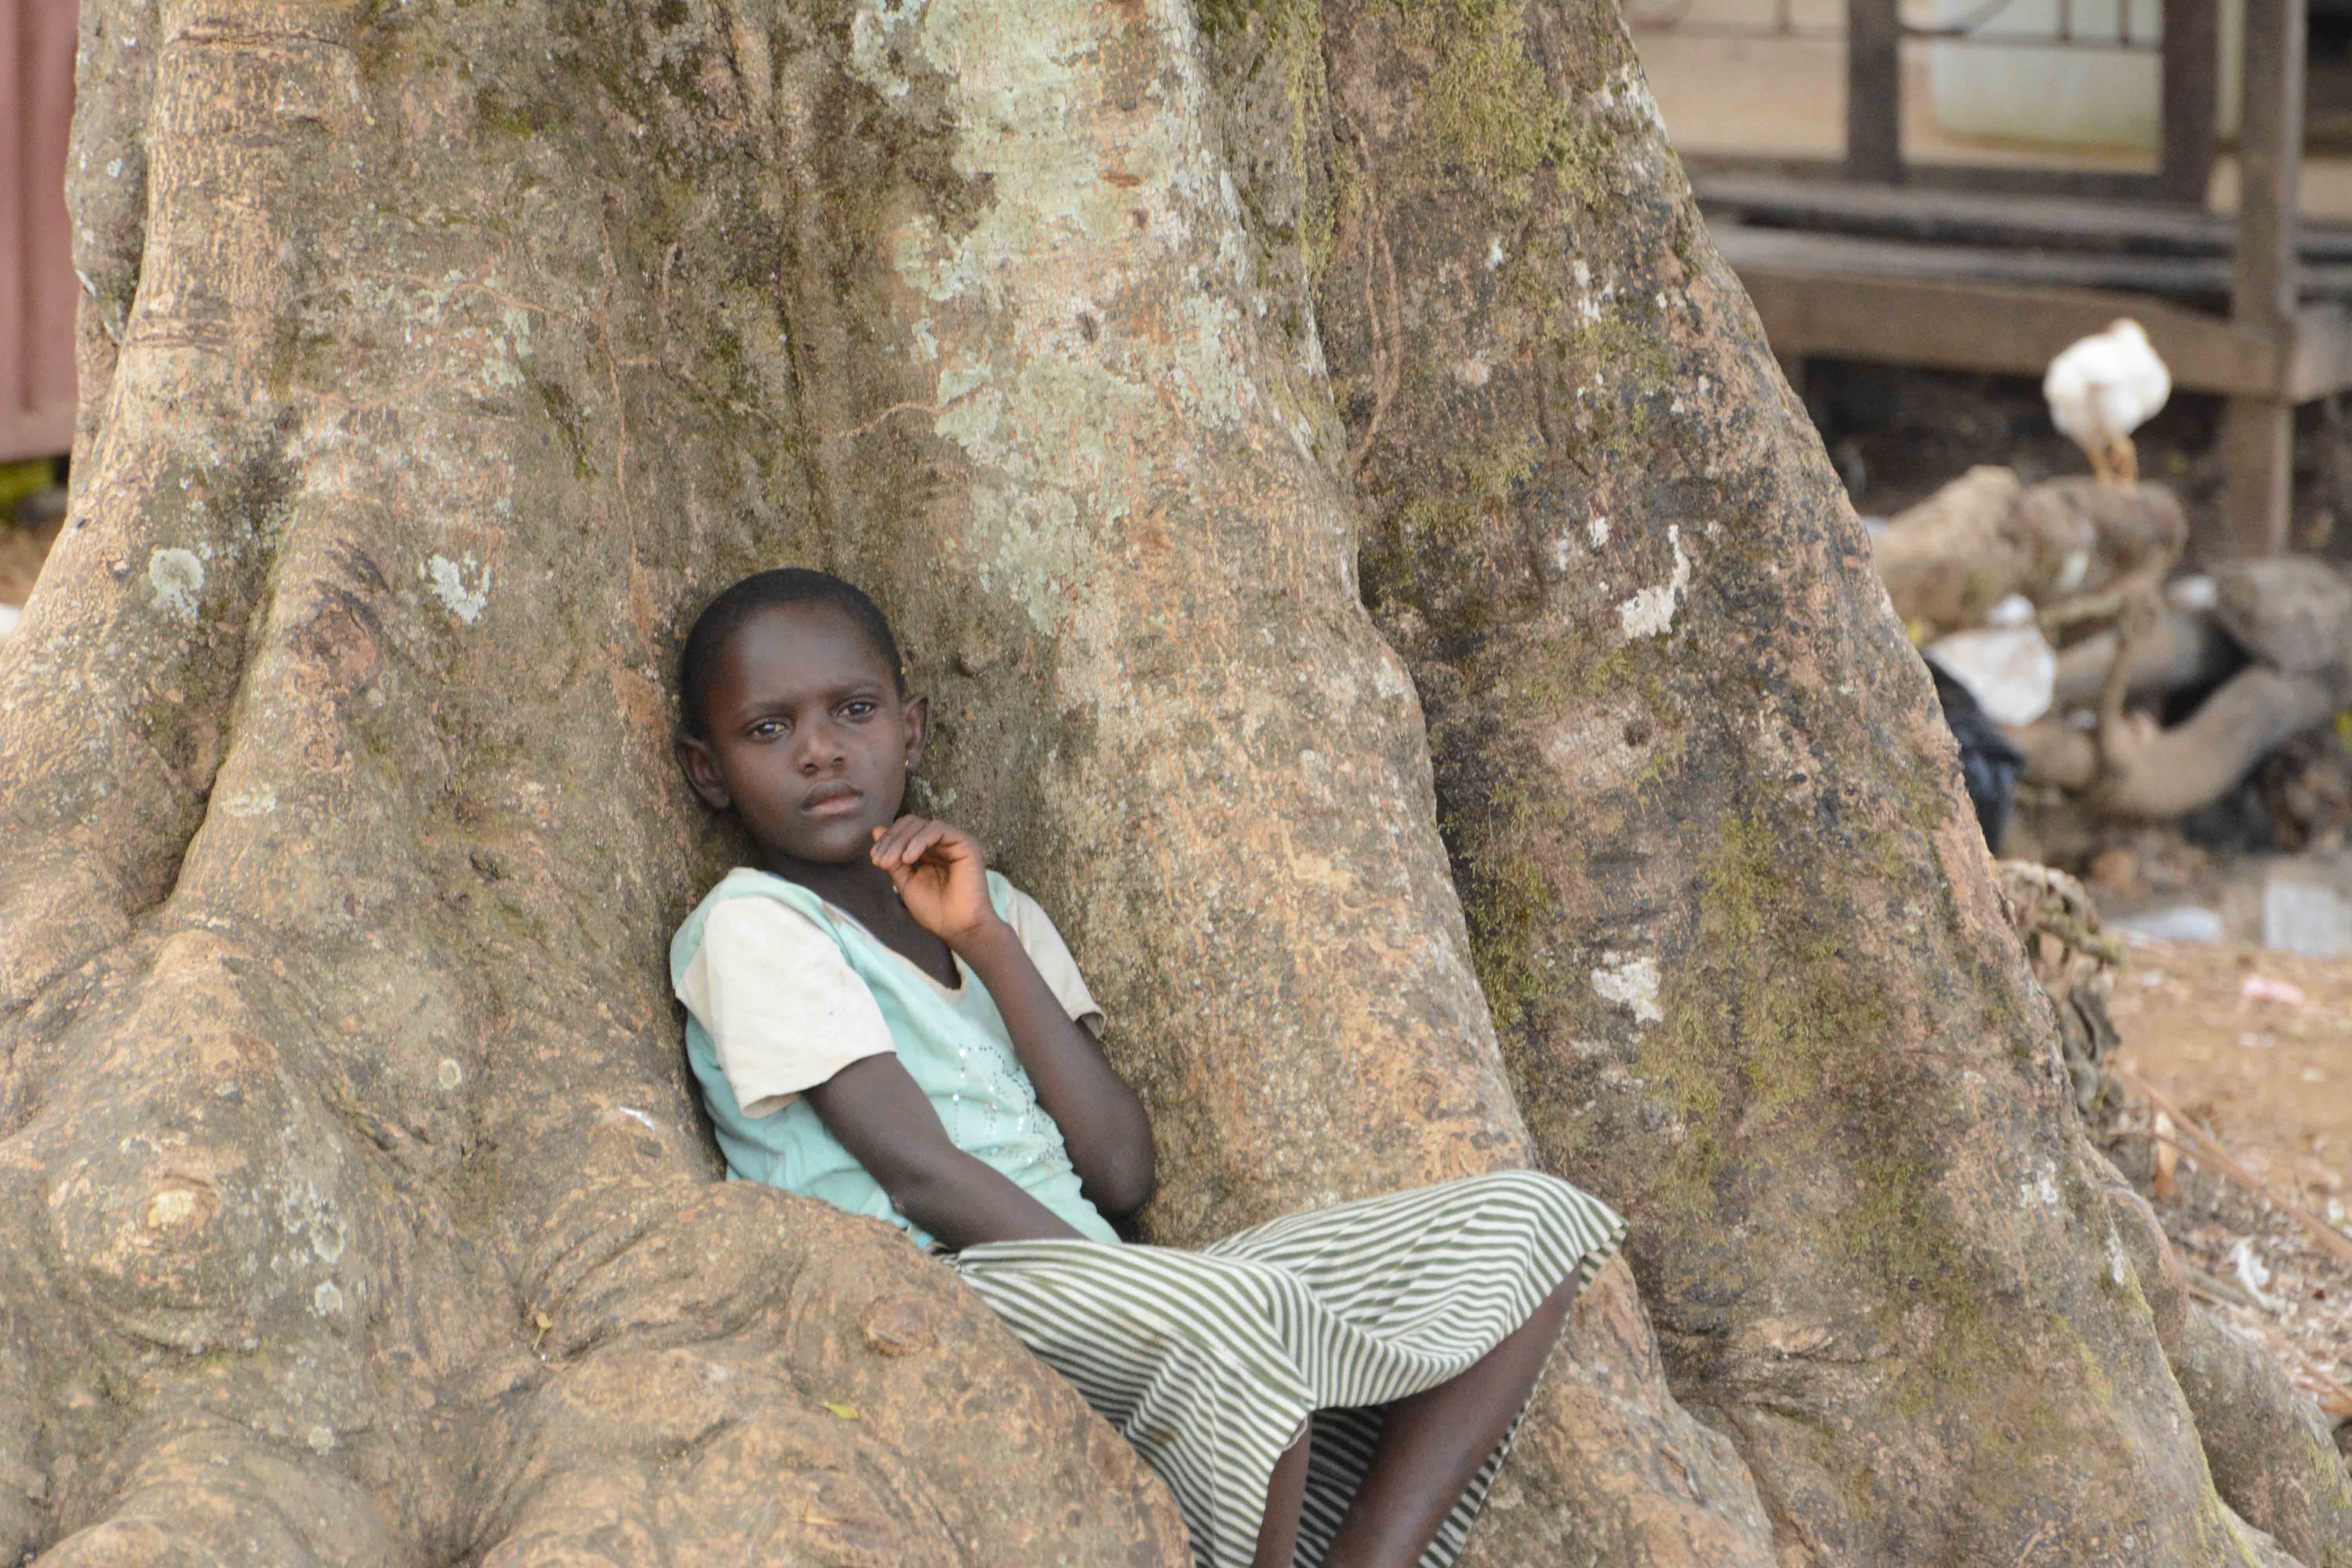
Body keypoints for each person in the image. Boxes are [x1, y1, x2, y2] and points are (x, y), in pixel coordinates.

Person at [668, 568, 1626, 1568]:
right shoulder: (754, 923)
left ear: (912, 731)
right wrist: (1149, 1297)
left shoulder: (991, 907)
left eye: (855, 711)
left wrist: (986, 941)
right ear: (708, 769)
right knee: (1235, 1317)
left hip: (1109, 1289)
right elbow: (919, 1172)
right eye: (769, 729)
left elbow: (1122, 1169)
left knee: (1529, 1224)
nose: (820, 748)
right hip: (940, 1298)